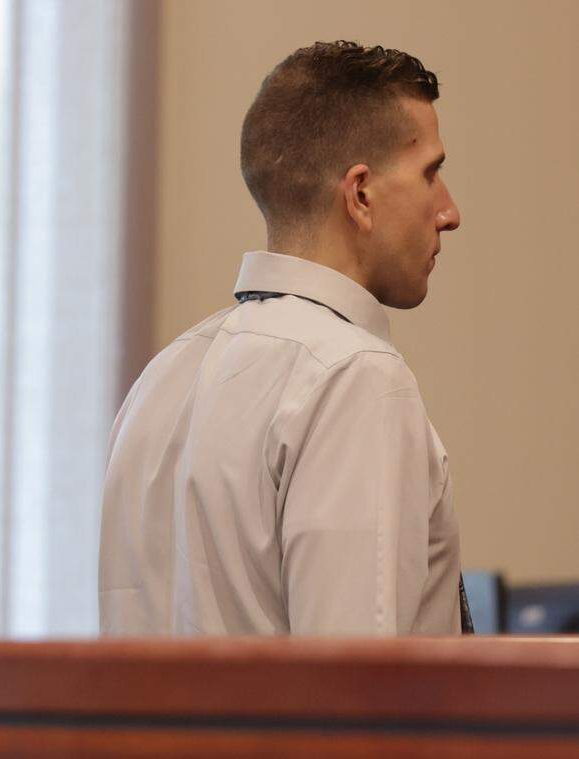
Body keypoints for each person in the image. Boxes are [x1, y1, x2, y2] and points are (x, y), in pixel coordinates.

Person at [99, 41, 464, 636]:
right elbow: (349, 692)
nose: (449, 212)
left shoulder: (159, 378)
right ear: (361, 194)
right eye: (431, 173)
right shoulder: (356, 376)